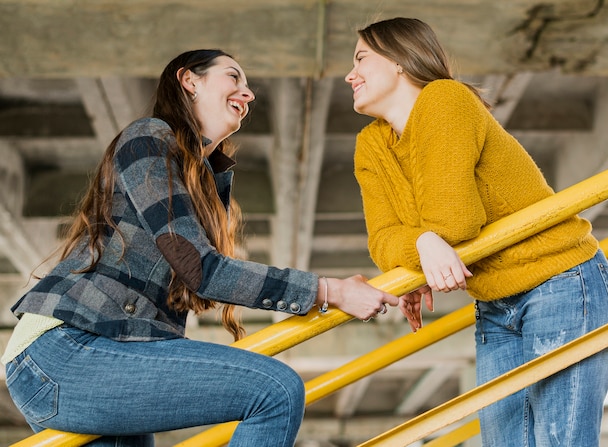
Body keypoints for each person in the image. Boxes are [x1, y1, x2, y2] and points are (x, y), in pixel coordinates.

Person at [1, 49, 399, 447]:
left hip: (105, 351)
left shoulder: (207, 182)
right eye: (233, 77)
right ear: (190, 81)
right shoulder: (149, 137)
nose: (248, 94)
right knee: (272, 390)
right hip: (67, 349)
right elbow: (203, 270)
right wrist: (331, 290)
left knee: (271, 390)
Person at [344, 17, 608, 447]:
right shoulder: (371, 145)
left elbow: (456, 222)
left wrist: (421, 240)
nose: (350, 73)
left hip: (561, 283)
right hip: (494, 303)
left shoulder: (444, 100)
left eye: (361, 58)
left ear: (400, 61)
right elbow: (381, 240)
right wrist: (421, 243)